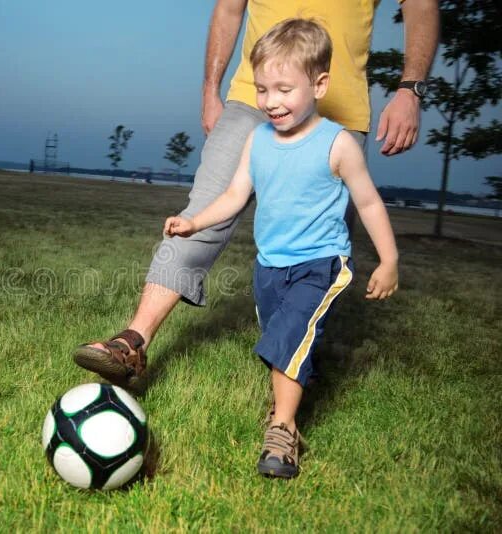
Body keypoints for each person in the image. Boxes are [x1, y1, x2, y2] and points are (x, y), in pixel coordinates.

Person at [72, 0, 438, 392]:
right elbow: (229, 9)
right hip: (252, 98)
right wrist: (210, 89)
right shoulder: (262, 98)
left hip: (339, 108)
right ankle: (132, 342)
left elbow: (421, 5)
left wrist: (410, 90)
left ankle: (295, 370)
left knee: (319, 251)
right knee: (203, 210)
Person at [162, 17, 397, 478]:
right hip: (269, 267)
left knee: (289, 336)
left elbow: (368, 202)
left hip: (320, 264)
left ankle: (282, 431)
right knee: (284, 342)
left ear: (320, 84)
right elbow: (233, 195)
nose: (271, 102)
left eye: (284, 90)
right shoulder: (259, 139)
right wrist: (193, 221)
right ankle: (290, 390)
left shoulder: (338, 143)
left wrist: (389, 260)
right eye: (264, 90)